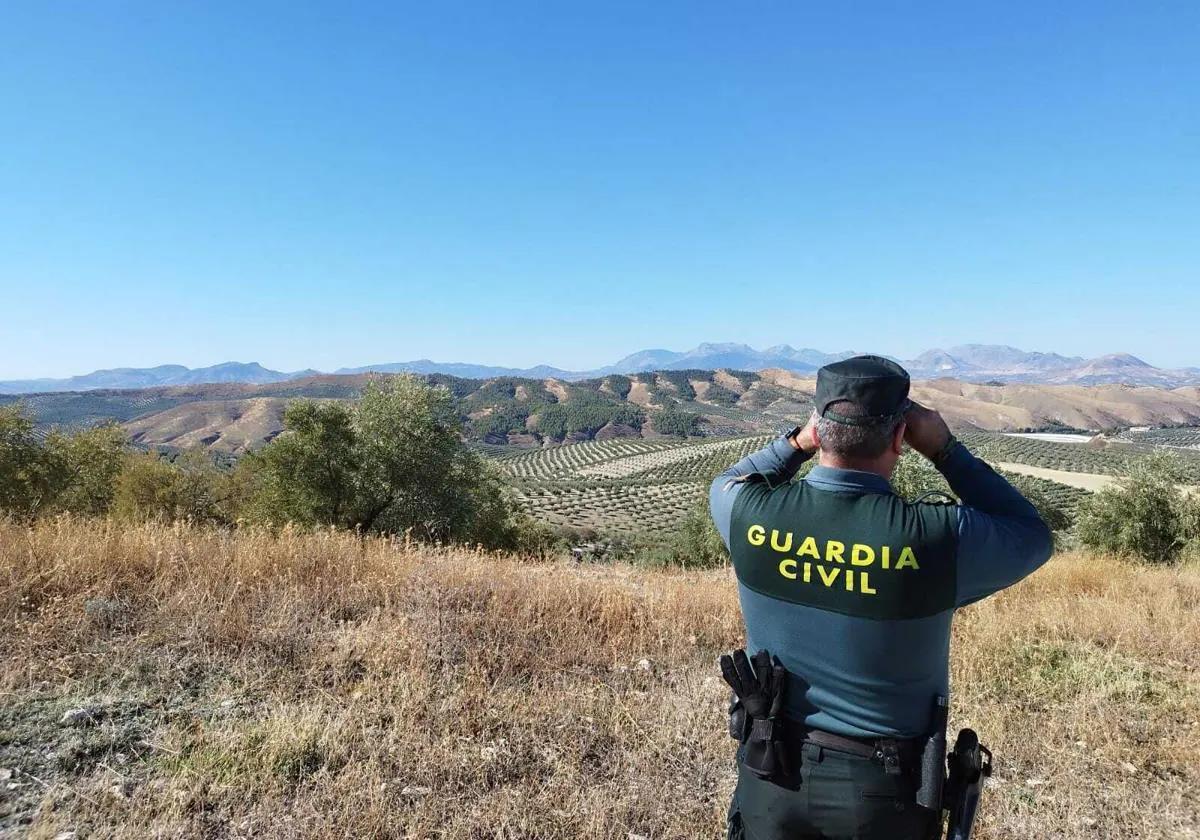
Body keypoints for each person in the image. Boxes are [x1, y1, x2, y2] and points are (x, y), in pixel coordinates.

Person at [709, 355, 1053, 839]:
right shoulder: (936, 539)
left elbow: (724, 482)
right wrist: (947, 451)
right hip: (881, 792)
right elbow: (1031, 535)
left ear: (820, 428)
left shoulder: (746, 512)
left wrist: (798, 442)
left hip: (769, 768)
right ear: (900, 437)